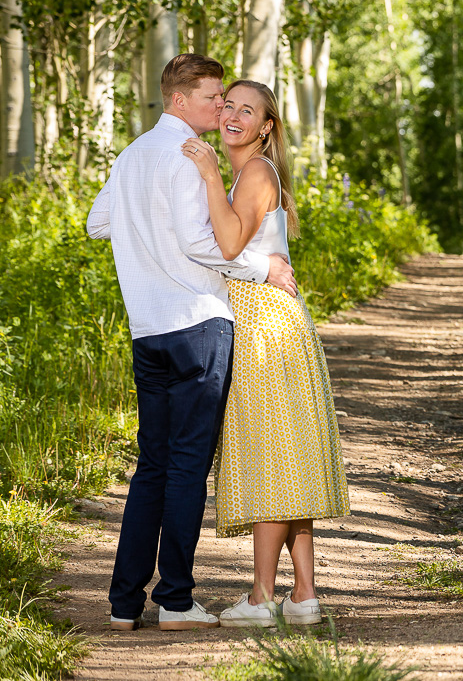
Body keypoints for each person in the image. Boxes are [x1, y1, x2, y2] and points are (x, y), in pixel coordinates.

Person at [87, 54, 297, 632]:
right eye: (213, 99)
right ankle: (175, 599)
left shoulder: (132, 155)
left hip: (146, 329)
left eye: (228, 101)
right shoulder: (185, 156)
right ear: (180, 101)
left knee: (151, 465)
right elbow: (209, 247)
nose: (221, 108)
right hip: (197, 325)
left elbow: (97, 221)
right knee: (185, 467)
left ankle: (124, 603)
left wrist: (142, 233)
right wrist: (263, 269)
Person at [181, 79, 349, 627]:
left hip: (264, 327)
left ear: (266, 126)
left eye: (246, 110)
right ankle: (303, 596)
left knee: (270, 457)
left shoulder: (253, 172)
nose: (231, 115)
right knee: (287, 456)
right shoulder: (251, 172)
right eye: (227, 105)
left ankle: (260, 597)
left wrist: (207, 173)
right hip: (273, 321)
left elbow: (228, 245)